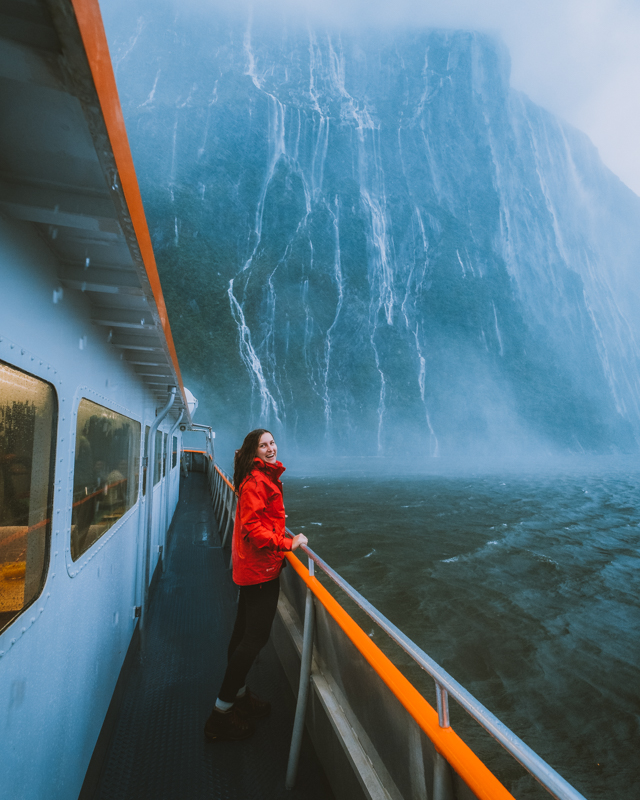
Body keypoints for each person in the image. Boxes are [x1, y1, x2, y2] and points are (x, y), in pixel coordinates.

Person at [204, 429, 308, 742]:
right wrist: (288, 542)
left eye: (272, 442)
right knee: (253, 639)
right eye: (263, 445)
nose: (270, 448)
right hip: (259, 572)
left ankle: (238, 696)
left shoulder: (259, 477)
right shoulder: (256, 482)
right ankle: (220, 714)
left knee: (241, 635)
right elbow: (252, 529)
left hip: (253, 568)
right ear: (254, 451)